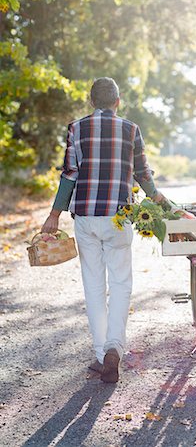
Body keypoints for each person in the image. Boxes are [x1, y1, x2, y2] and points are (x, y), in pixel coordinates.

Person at [41, 77, 165, 383]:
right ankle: (114, 349)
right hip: (118, 218)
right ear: (117, 102)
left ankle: (101, 355)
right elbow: (143, 175)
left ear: (92, 102)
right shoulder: (131, 129)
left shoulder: (76, 128)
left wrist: (54, 214)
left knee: (94, 286)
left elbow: (69, 174)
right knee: (121, 283)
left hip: (85, 217)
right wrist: (164, 203)